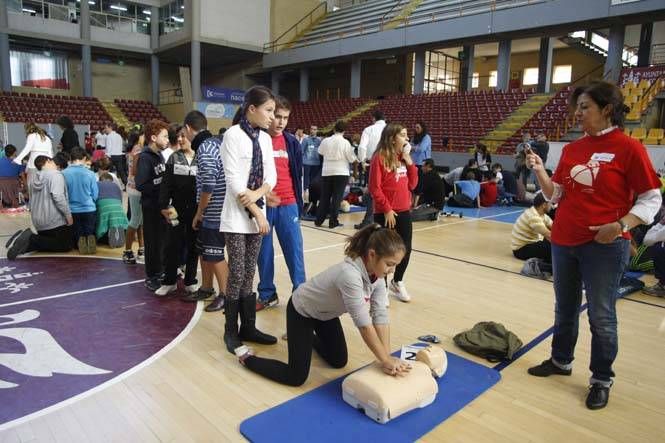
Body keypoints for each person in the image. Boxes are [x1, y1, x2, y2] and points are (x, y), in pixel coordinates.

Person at [525, 80, 662, 410]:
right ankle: (561, 361)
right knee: (565, 308)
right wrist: (541, 170)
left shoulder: (630, 149)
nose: (578, 113)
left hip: (605, 246)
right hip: (564, 240)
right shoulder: (571, 149)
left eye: (585, 107)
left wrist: (620, 226)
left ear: (607, 110)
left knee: (601, 316)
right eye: (578, 107)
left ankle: (601, 378)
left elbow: (651, 198)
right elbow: (554, 195)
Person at [239, 224, 411, 386]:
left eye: (395, 265)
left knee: (338, 361)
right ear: (372, 255)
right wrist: (385, 360)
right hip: (302, 311)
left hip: (325, 314)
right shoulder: (350, 275)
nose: (392, 270)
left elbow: (380, 315)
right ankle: (247, 358)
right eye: (390, 264)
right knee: (296, 377)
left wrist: (386, 357)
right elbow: (364, 325)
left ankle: (303, 338)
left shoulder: (378, 278)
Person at [220, 86, 278, 354]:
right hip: (237, 217)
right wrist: (257, 211)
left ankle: (249, 328)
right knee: (237, 274)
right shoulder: (232, 136)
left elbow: (271, 177)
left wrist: (258, 195)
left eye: (274, 112)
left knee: (250, 273)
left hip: (257, 213)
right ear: (251, 109)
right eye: (268, 111)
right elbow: (234, 182)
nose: (272, 117)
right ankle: (230, 332)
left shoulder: (265, 139)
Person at [256, 96, 305, 311]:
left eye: (285, 118)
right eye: (277, 116)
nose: (281, 122)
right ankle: (267, 294)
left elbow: (297, 175)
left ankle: (301, 297)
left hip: (288, 204)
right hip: (264, 206)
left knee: (294, 251)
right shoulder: (257, 139)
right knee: (263, 252)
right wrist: (260, 195)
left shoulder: (292, 142)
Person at [185, 110, 229, 307]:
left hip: (215, 210)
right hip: (217, 208)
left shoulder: (205, 148)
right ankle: (206, 288)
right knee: (205, 251)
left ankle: (227, 295)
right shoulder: (215, 143)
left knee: (215, 253)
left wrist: (199, 212)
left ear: (188, 128)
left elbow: (209, 184)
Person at [369, 123, 417, 302]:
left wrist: (410, 162)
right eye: (403, 135)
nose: (406, 139)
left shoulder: (403, 158)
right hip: (385, 212)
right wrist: (387, 208)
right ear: (391, 138)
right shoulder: (379, 157)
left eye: (406, 135)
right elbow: (375, 188)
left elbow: (413, 185)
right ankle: (381, 287)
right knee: (384, 250)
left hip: (404, 210)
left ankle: (398, 281)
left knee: (406, 249)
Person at [157, 125, 199, 297]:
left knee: (193, 246)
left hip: (196, 211)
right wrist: (164, 206)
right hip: (175, 209)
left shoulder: (201, 158)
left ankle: (190, 281)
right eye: (178, 136)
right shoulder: (174, 158)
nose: (180, 139)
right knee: (171, 244)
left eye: (183, 136)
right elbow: (165, 185)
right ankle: (170, 281)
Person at [6, 156, 73, 259]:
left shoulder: (34, 177)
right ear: (48, 161)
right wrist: (68, 215)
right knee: (66, 245)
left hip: (38, 221)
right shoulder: (55, 175)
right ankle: (31, 238)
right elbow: (58, 197)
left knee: (46, 242)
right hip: (54, 220)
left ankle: (27, 244)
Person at [135, 119, 169, 292]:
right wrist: (160, 184)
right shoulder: (145, 157)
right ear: (154, 137)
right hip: (150, 207)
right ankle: (152, 275)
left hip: (161, 206)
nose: (168, 140)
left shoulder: (160, 156)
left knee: (162, 240)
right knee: (152, 242)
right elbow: (141, 184)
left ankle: (161, 271)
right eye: (164, 136)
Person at [315, 120, 357, 229]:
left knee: (325, 196)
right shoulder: (345, 142)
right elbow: (351, 159)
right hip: (341, 172)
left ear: (334, 129)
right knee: (337, 198)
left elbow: (320, 152)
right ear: (344, 131)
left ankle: (319, 220)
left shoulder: (326, 141)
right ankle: (333, 222)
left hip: (327, 171)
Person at [62, 147, 99, 254]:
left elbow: (63, 193)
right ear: (83, 158)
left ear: (71, 158)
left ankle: (80, 242)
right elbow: (95, 194)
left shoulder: (64, 173)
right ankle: (90, 239)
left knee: (77, 231)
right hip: (89, 208)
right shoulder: (90, 174)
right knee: (89, 229)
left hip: (72, 210)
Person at [355, 110, 387, 229]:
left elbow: (362, 146)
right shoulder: (389, 129)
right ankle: (383, 219)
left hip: (373, 162)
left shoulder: (369, 129)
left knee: (372, 191)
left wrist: (362, 160)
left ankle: (369, 220)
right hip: (389, 162)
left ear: (373, 118)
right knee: (385, 191)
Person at [510, 192, 553, 262]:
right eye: (550, 203)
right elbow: (549, 235)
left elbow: (554, 227)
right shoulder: (533, 217)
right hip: (520, 250)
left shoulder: (541, 214)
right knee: (549, 248)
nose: (552, 206)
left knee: (550, 245)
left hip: (531, 243)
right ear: (544, 205)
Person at [123, 130, 144, 265]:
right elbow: (136, 170)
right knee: (135, 220)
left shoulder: (133, 149)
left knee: (140, 220)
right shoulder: (138, 149)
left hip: (133, 187)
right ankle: (127, 251)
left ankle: (141, 248)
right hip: (136, 188)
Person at [95, 172, 128, 247]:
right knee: (117, 219)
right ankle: (117, 233)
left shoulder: (97, 184)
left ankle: (105, 237)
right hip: (118, 210)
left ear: (101, 179)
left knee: (100, 219)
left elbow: (94, 198)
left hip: (104, 207)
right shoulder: (116, 186)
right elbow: (120, 200)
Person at [411, 121, 432, 205]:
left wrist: (412, 147)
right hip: (414, 163)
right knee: (413, 182)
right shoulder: (414, 137)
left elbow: (422, 148)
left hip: (423, 164)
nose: (416, 129)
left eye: (418, 128)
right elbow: (409, 147)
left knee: (420, 183)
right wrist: (413, 147)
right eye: (415, 127)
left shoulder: (426, 137)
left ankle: (415, 203)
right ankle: (411, 201)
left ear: (422, 128)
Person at [301, 125, 321, 193]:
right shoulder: (305, 139)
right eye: (312, 129)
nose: (313, 130)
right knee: (306, 179)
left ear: (317, 130)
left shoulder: (319, 140)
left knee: (314, 180)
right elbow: (301, 151)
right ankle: (305, 193)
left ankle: (312, 193)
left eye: (315, 129)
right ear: (310, 130)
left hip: (316, 163)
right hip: (307, 162)